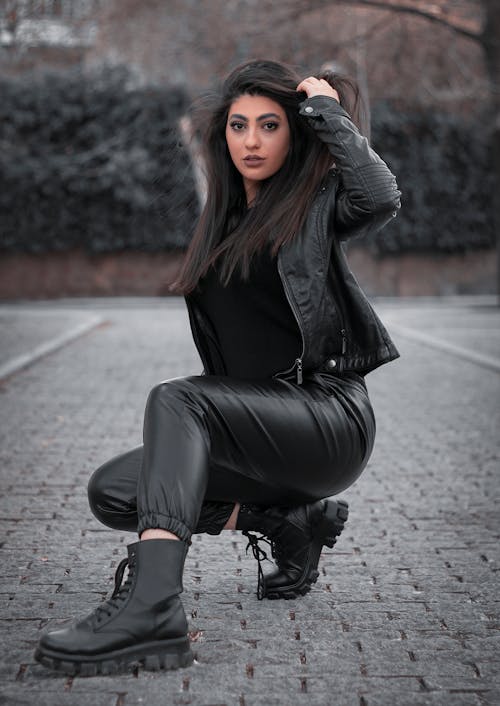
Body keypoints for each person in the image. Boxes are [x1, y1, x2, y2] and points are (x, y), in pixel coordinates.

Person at [35, 58, 401, 676]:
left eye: (269, 125)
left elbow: (380, 195)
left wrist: (325, 109)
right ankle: (291, 524)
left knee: (179, 399)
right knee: (118, 490)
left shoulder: (316, 205)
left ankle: (152, 608)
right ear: (222, 134)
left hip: (327, 417)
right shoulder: (223, 223)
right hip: (261, 431)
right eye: (238, 126)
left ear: (295, 133)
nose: (251, 141)